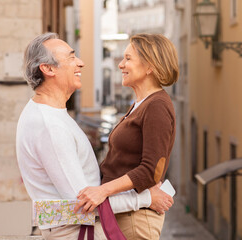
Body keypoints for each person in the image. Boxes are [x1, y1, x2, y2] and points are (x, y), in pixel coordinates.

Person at [16, 32, 173, 240]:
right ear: (48, 69)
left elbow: (150, 169)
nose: (80, 63)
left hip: (104, 225)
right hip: (80, 231)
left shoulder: (51, 116)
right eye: (71, 58)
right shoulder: (49, 126)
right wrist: (144, 198)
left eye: (128, 58)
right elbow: (82, 203)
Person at [75, 33, 179, 239]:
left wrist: (102, 191)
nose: (121, 64)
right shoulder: (141, 104)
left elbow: (151, 171)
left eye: (128, 58)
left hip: (136, 219)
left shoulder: (156, 105)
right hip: (125, 213)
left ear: (150, 66)